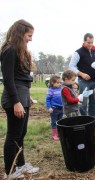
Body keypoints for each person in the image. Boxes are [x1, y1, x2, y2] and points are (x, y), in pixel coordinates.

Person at [0, 19, 39, 179]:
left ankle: (21, 166)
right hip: (14, 99)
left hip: (22, 97)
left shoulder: (19, 51)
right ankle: (10, 171)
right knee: (13, 135)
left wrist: (27, 97)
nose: (30, 38)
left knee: (21, 133)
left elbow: (21, 78)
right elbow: (8, 79)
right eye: (29, 35)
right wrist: (16, 101)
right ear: (20, 33)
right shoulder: (9, 50)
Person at [69, 33, 95, 125]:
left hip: (94, 81)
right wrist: (81, 74)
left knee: (94, 102)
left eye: (92, 42)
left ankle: (92, 122)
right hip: (84, 82)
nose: (90, 44)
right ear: (84, 41)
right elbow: (71, 66)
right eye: (88, 42)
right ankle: (84, 122)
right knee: (83, 103)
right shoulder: (78, 52)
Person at [45, 75, 63, 141]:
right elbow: (47, 100)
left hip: (61, 108)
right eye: (58, 83)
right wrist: (49, 107)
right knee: (54, 122)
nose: (59, 84)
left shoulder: (61, 89)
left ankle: (59, 133)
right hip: (54, 109)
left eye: (60, 82)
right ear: (53, 82)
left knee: (60, 121)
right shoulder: (50, 90)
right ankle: (54, 135)